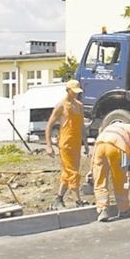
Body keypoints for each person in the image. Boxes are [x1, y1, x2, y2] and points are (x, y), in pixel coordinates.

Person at [45, 79, 89, 209]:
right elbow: (49, 125)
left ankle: (58, 199)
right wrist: (48, 145)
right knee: (73, 172)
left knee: (67, 172)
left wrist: (85, 144)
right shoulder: (61, 106)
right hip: (65, 144)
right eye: (73, 92)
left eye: (77, 92)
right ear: (68, 90)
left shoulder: (79, 105)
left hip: (76, 144)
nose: (75, 94)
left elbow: (81, 126)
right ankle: (78, 201)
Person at [91, 121, 130, 222]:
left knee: (99, 180)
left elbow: (95, 147)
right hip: (117, 148)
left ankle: (102, 209)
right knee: (119, 180)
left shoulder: (110, 127)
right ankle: (124, 210)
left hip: (99, 147)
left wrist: (91, 169)